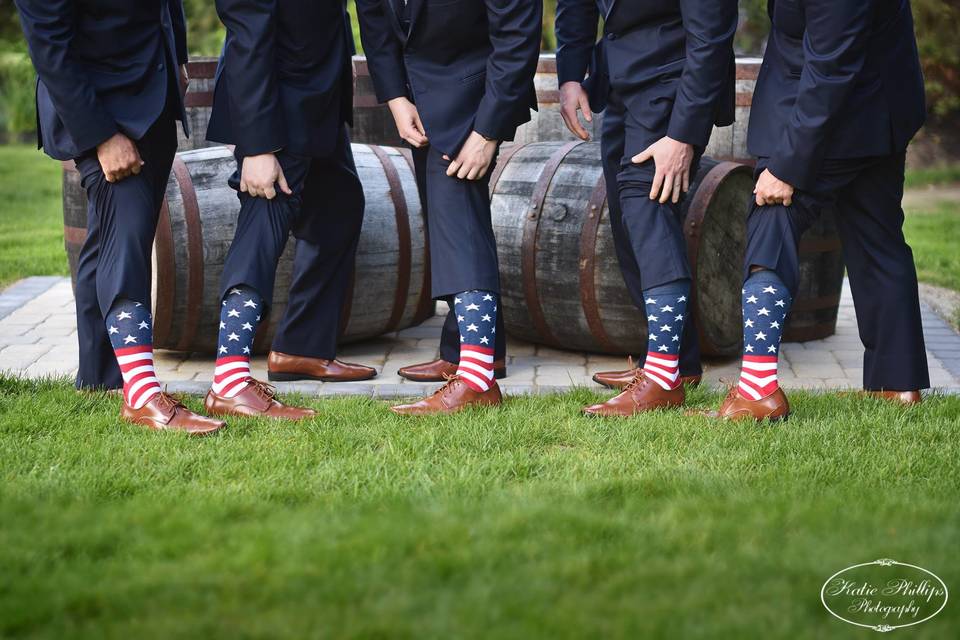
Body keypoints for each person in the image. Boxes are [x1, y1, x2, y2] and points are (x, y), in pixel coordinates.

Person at [701, 0, 930, 421]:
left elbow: (832, 69)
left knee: (773, 212)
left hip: (846, 109)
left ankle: (756, 392)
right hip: (876, 107)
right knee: (877, 237)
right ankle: (896, 386)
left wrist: (787, 166)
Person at [16, 0, 224, 435]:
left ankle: (100, 379)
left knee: (109, 237)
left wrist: (178, 59)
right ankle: (142, 395)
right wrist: (101, 137)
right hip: (98, 107)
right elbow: (48, 42)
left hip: (155, 89)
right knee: (125, 238)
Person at [356, 0, 542, 415]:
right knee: (454, 217)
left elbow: (517, 32)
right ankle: (474, 353)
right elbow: (373, 17)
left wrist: (488, 130)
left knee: (457, 218)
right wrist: (396, 98)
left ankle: (475, 381)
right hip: (417, 92)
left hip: (476, 92)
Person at [555, 0, 737, 416]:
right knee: (626, 218)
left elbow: (711, 36)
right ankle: (680, 358)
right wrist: (570, 75)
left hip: (674, 85)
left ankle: (662, 377)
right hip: (617, 82)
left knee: (646, 208)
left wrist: (684, 134)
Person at [204, 0, 376, 421]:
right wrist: (257, 143)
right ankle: (229, 382)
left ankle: (301, 348)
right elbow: (248, 32)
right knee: (263, 226)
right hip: (275, 108)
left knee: (339, 207)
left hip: (320, 101)